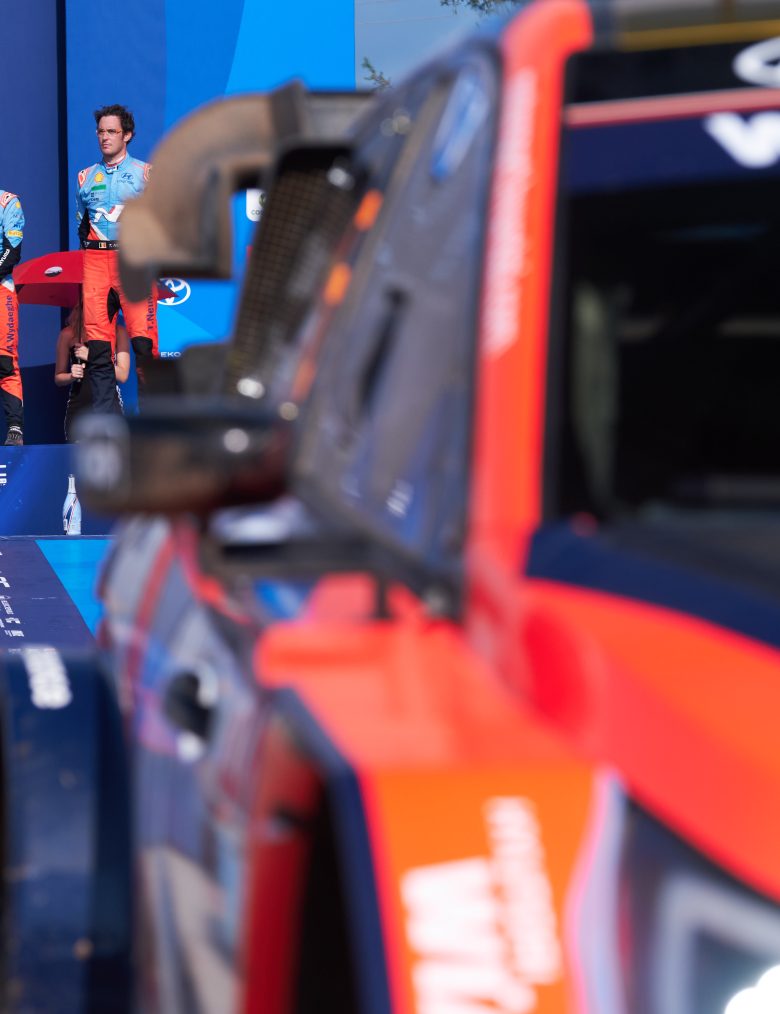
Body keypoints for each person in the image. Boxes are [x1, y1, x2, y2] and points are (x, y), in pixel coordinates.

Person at [76, 103, 158, 413]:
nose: (105, 137)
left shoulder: (145, 173)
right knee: (98, 350)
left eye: (112, 131)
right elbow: (82, 225)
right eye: (101, 131)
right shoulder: (85, 177)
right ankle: (104, 424)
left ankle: (153, 424)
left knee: (143, 346)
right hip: (96, 264)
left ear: (127, 135)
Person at [54, 300, 129, 442]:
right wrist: (71, 375)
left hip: (109, 404)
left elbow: (123, 375)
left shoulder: (118, 332)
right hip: (79, 406)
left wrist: (92, 357)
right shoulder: (68, 334)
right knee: (78, 455)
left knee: (113, 454)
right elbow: (58, 378)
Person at [0, 189, 24, 445]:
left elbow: (13, 250)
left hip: (1, 289)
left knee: (4, 361)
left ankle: (14, 427)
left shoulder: (7, 201)